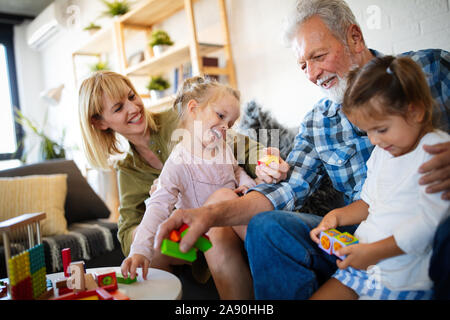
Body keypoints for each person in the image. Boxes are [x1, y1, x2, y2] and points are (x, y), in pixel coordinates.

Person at [153, 0, 450, 299]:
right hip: (357, 232)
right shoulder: (317, 122)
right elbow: (286, 191)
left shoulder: (431, 69)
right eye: (303, 65)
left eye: (318, 56)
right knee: (267, 226)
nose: (311, 74)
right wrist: (208, 215)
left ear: (354, 38)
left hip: (428, 229)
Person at [77, 71, 272, 275]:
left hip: (221, 218)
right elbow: (128, 233)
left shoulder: (180, 116)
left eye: (132, 96)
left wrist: (265, 161)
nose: (134, 108)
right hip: (186, 240)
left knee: (218, 212)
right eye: (118, 108)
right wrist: (164, 216)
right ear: (100, 123)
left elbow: (239, 145)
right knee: (151, 251)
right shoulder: (128, 169)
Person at [308, 55, 449, 300]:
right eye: (368, 131)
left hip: (404, 280)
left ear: (415, 111)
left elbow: (429, 225)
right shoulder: (382, 152)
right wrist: (335, 216)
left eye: (381, 129)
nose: (373, 140)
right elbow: (368, 203)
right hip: (364, 267)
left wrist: (373, 252)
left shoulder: (436, 150)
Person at [120, 76, 266, 299]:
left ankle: (271, 243)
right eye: (220, 116)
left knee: (237, 198)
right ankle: (270, 245)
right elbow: (158, 204)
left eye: (231, 123)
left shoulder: (222, 147)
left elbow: (236, 171)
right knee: (223, 197)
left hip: (226, 221)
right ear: (194, 109)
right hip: (195, 233)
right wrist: (140, 249)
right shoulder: (178, 160)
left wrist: (247, 186)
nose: (225, 127)